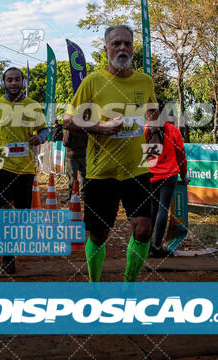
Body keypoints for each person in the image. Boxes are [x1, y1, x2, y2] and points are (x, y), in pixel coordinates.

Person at [63, 25, 157, 282]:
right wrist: (99, 128)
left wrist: (156, 136)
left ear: (133, 47)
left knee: (143, 229)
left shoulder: (145, 81)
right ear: (106, 49)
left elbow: (152, 114)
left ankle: (129, 287)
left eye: (127, 43)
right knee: (98, 234)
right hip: (101, 171)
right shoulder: (93, 81)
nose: (123, 48)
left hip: (136, 170)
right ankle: (94, 284)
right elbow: (68, 120)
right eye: (116, 44)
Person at [0, 66, 48, 275]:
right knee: (5, 208)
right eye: (9, 80)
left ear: (23, 82)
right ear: (3, 83)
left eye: (17, 80)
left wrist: (39, 137)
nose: (13, 83)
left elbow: (44, 129)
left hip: (24, 164)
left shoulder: (32, 106)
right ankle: (8, 256)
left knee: (23, 213)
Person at [144, 99, 189, 258]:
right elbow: (181, 156)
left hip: (151, 175)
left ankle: (146, 246)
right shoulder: (173, 130)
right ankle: (157, 247)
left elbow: (144, 156)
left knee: (152, 209)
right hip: (169, 175)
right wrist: (184, 175)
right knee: (163, 209)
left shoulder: (146, 130)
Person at [63, 127, 87, 200]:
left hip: (72, 155)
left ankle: (72, 195)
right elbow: (88, 141)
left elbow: (65, 142)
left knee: (73, 176)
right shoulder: (84, 128)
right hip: (82, 154)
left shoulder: (70, 128)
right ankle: (84, 194)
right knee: (83, 175)